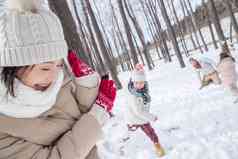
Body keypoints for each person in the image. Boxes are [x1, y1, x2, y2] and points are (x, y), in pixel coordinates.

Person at [0, 1, 116, 159]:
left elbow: (77, 119)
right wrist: (97, 116)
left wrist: (86, 86)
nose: (54, 76)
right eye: (45, 68)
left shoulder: (56, 84)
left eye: (59, 65)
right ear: (10, 68)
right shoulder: (4, 125)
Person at [125, 64, 165, 157]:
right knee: (133, 128)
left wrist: (137, 70)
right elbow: (139, 112)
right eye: (136, 83)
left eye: (141, 82)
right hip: (136, 117)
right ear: (133, 82)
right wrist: (152, 117)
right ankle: (125, 137)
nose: (139, 85)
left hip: (140, 116)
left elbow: (135, 78)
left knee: (150, 132)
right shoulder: (133, 95)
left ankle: (157, 145)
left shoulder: (144, 89)